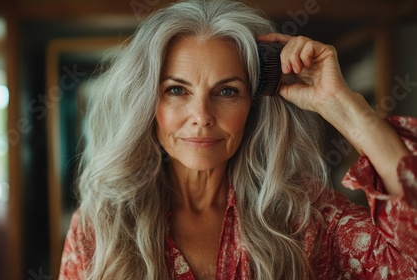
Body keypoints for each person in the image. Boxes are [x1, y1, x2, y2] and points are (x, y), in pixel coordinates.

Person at [59, 0, 417, 279]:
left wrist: (344, 107)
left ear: (253, 105)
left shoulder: (304, 215)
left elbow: (408, 263)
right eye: (177, 90)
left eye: (227, 90)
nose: (201, 114)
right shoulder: (100, 226)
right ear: (147, 104)